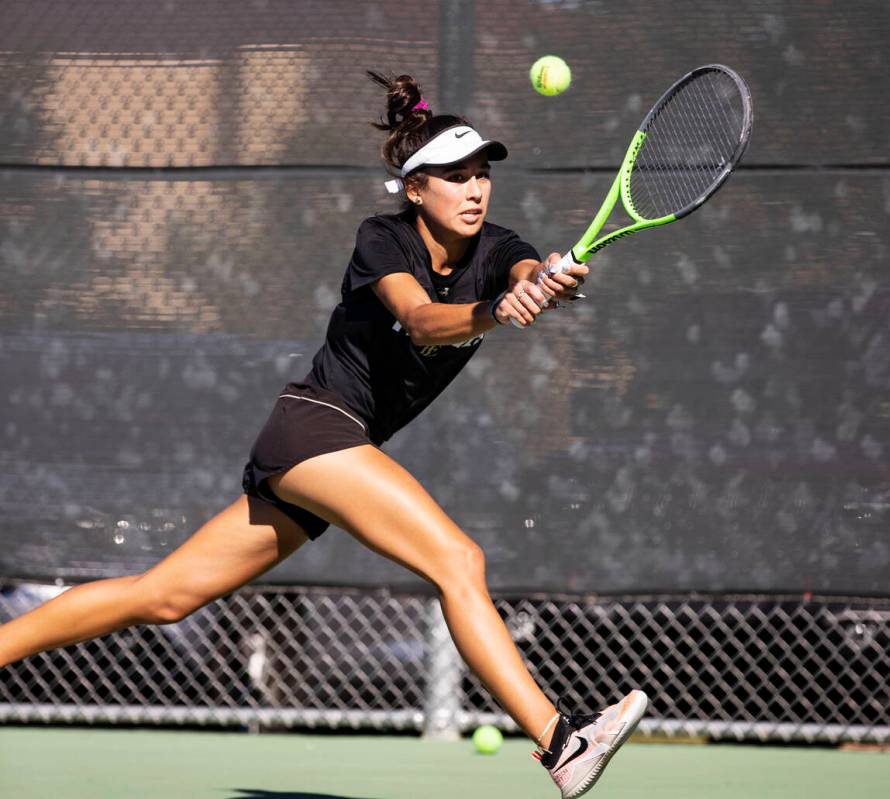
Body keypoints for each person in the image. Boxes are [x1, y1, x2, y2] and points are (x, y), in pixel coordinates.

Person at [0, 71, 646, 798]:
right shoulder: (383, 240)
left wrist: (541, 280)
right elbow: (427, 321)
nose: (474, 189)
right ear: (414, 189)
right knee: (458, 559)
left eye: (482, 174)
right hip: (315, 431)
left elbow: (524, 266)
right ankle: (562, 741)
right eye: (454, 176)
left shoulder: (497, 247)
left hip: (331, 453)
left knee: (163, 595)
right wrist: (499, 310)